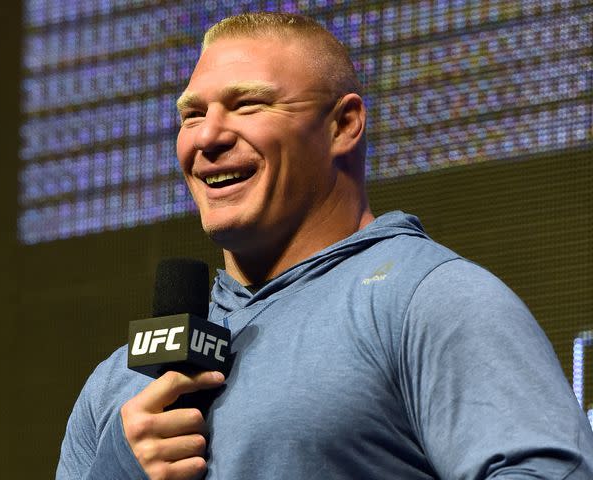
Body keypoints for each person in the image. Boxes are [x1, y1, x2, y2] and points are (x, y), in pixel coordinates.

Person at [57, 12, 593, 479]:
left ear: (343, 125)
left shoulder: (429, 302)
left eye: (247, 105)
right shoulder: (120, 383)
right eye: (192, 114)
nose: (206, 137)